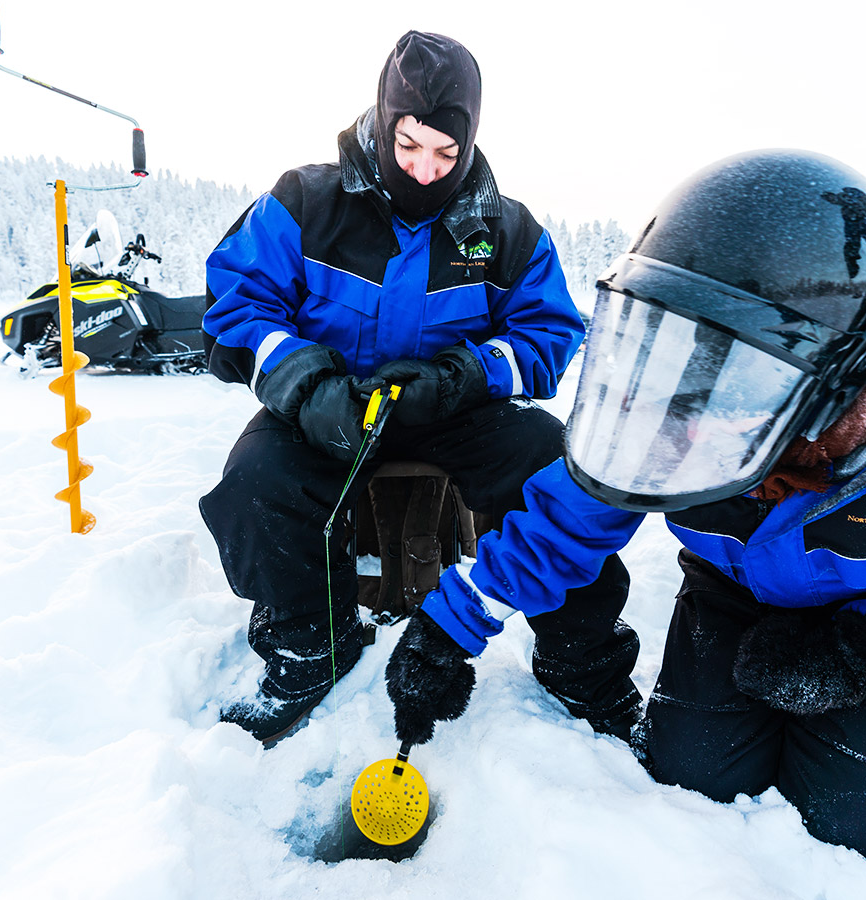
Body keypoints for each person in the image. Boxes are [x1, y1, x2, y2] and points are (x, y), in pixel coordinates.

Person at [383, 149, 866, 869]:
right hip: (730, 594)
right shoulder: (681, 391)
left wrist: (865, 654)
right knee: (691, 779)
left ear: (827, 382)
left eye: (730, 387)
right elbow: (571, 516)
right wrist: (453, 624)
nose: (689, 419)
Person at [199, 31, 637, 744]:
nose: (427, 170)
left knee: (555, 472)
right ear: (383, 118)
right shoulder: (303, 200)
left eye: (446, 153)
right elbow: (239, 304)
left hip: (448, 407)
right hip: (328, 405)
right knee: (254, 485)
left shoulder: (508, 229)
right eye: (409, 146)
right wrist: (306, 385)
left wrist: (465, 376)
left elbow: (550, 336)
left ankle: (582, 663)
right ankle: (313, 646)